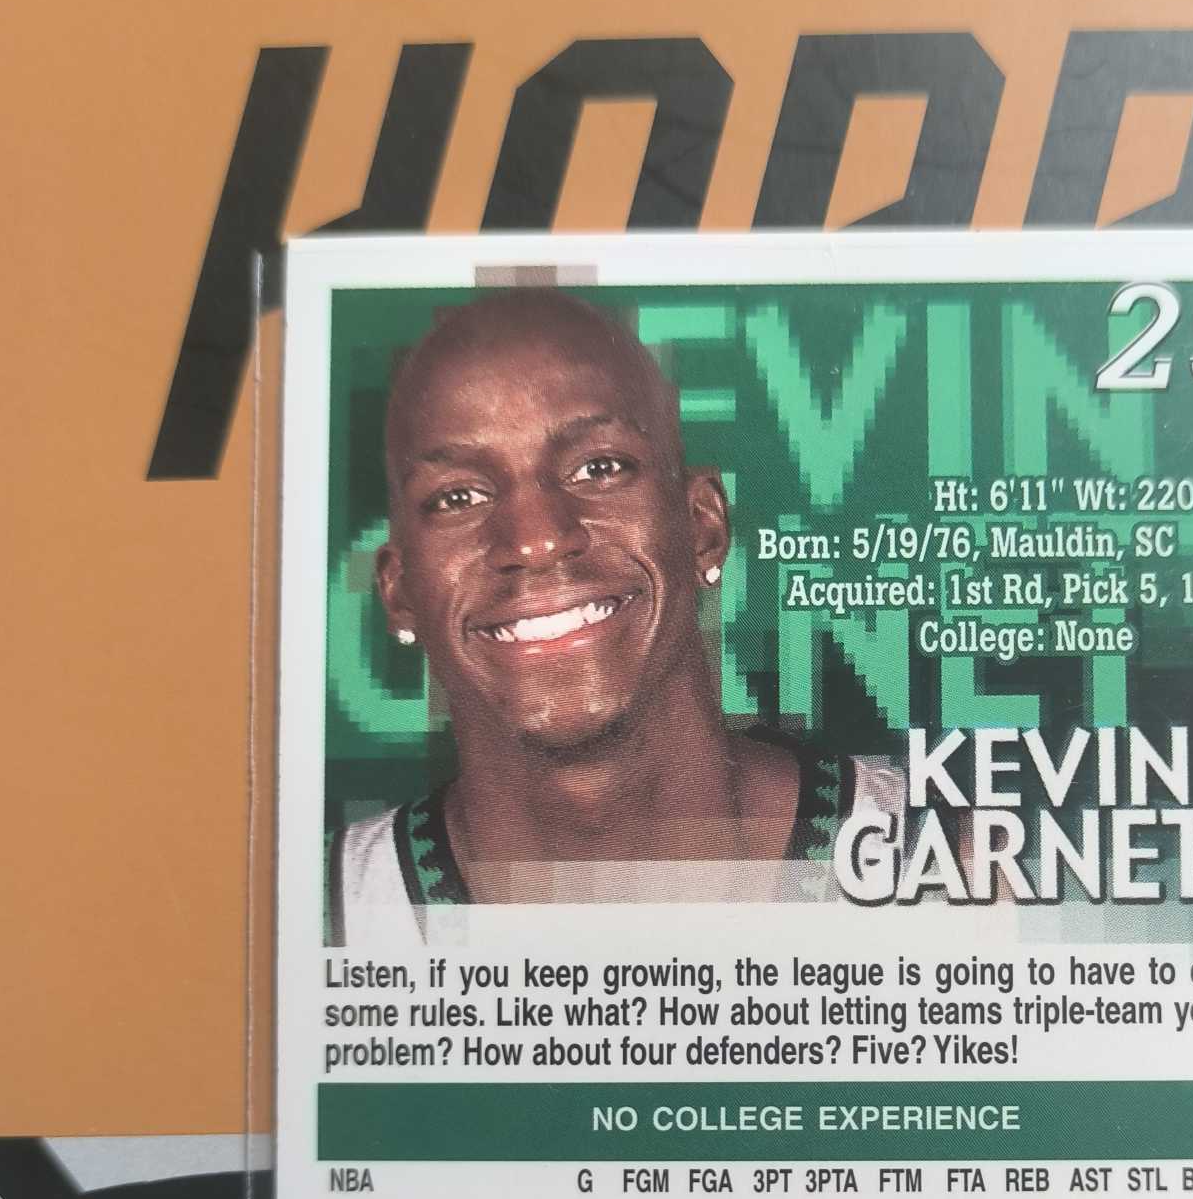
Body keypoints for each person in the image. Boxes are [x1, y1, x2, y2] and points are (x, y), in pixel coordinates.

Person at [326, 288, 900, 931]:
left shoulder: (945, 865)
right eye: (458, 497)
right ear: (400, 591)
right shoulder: (315, 913)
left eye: (599, 467)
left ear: (702, 526)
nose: (537, 540)